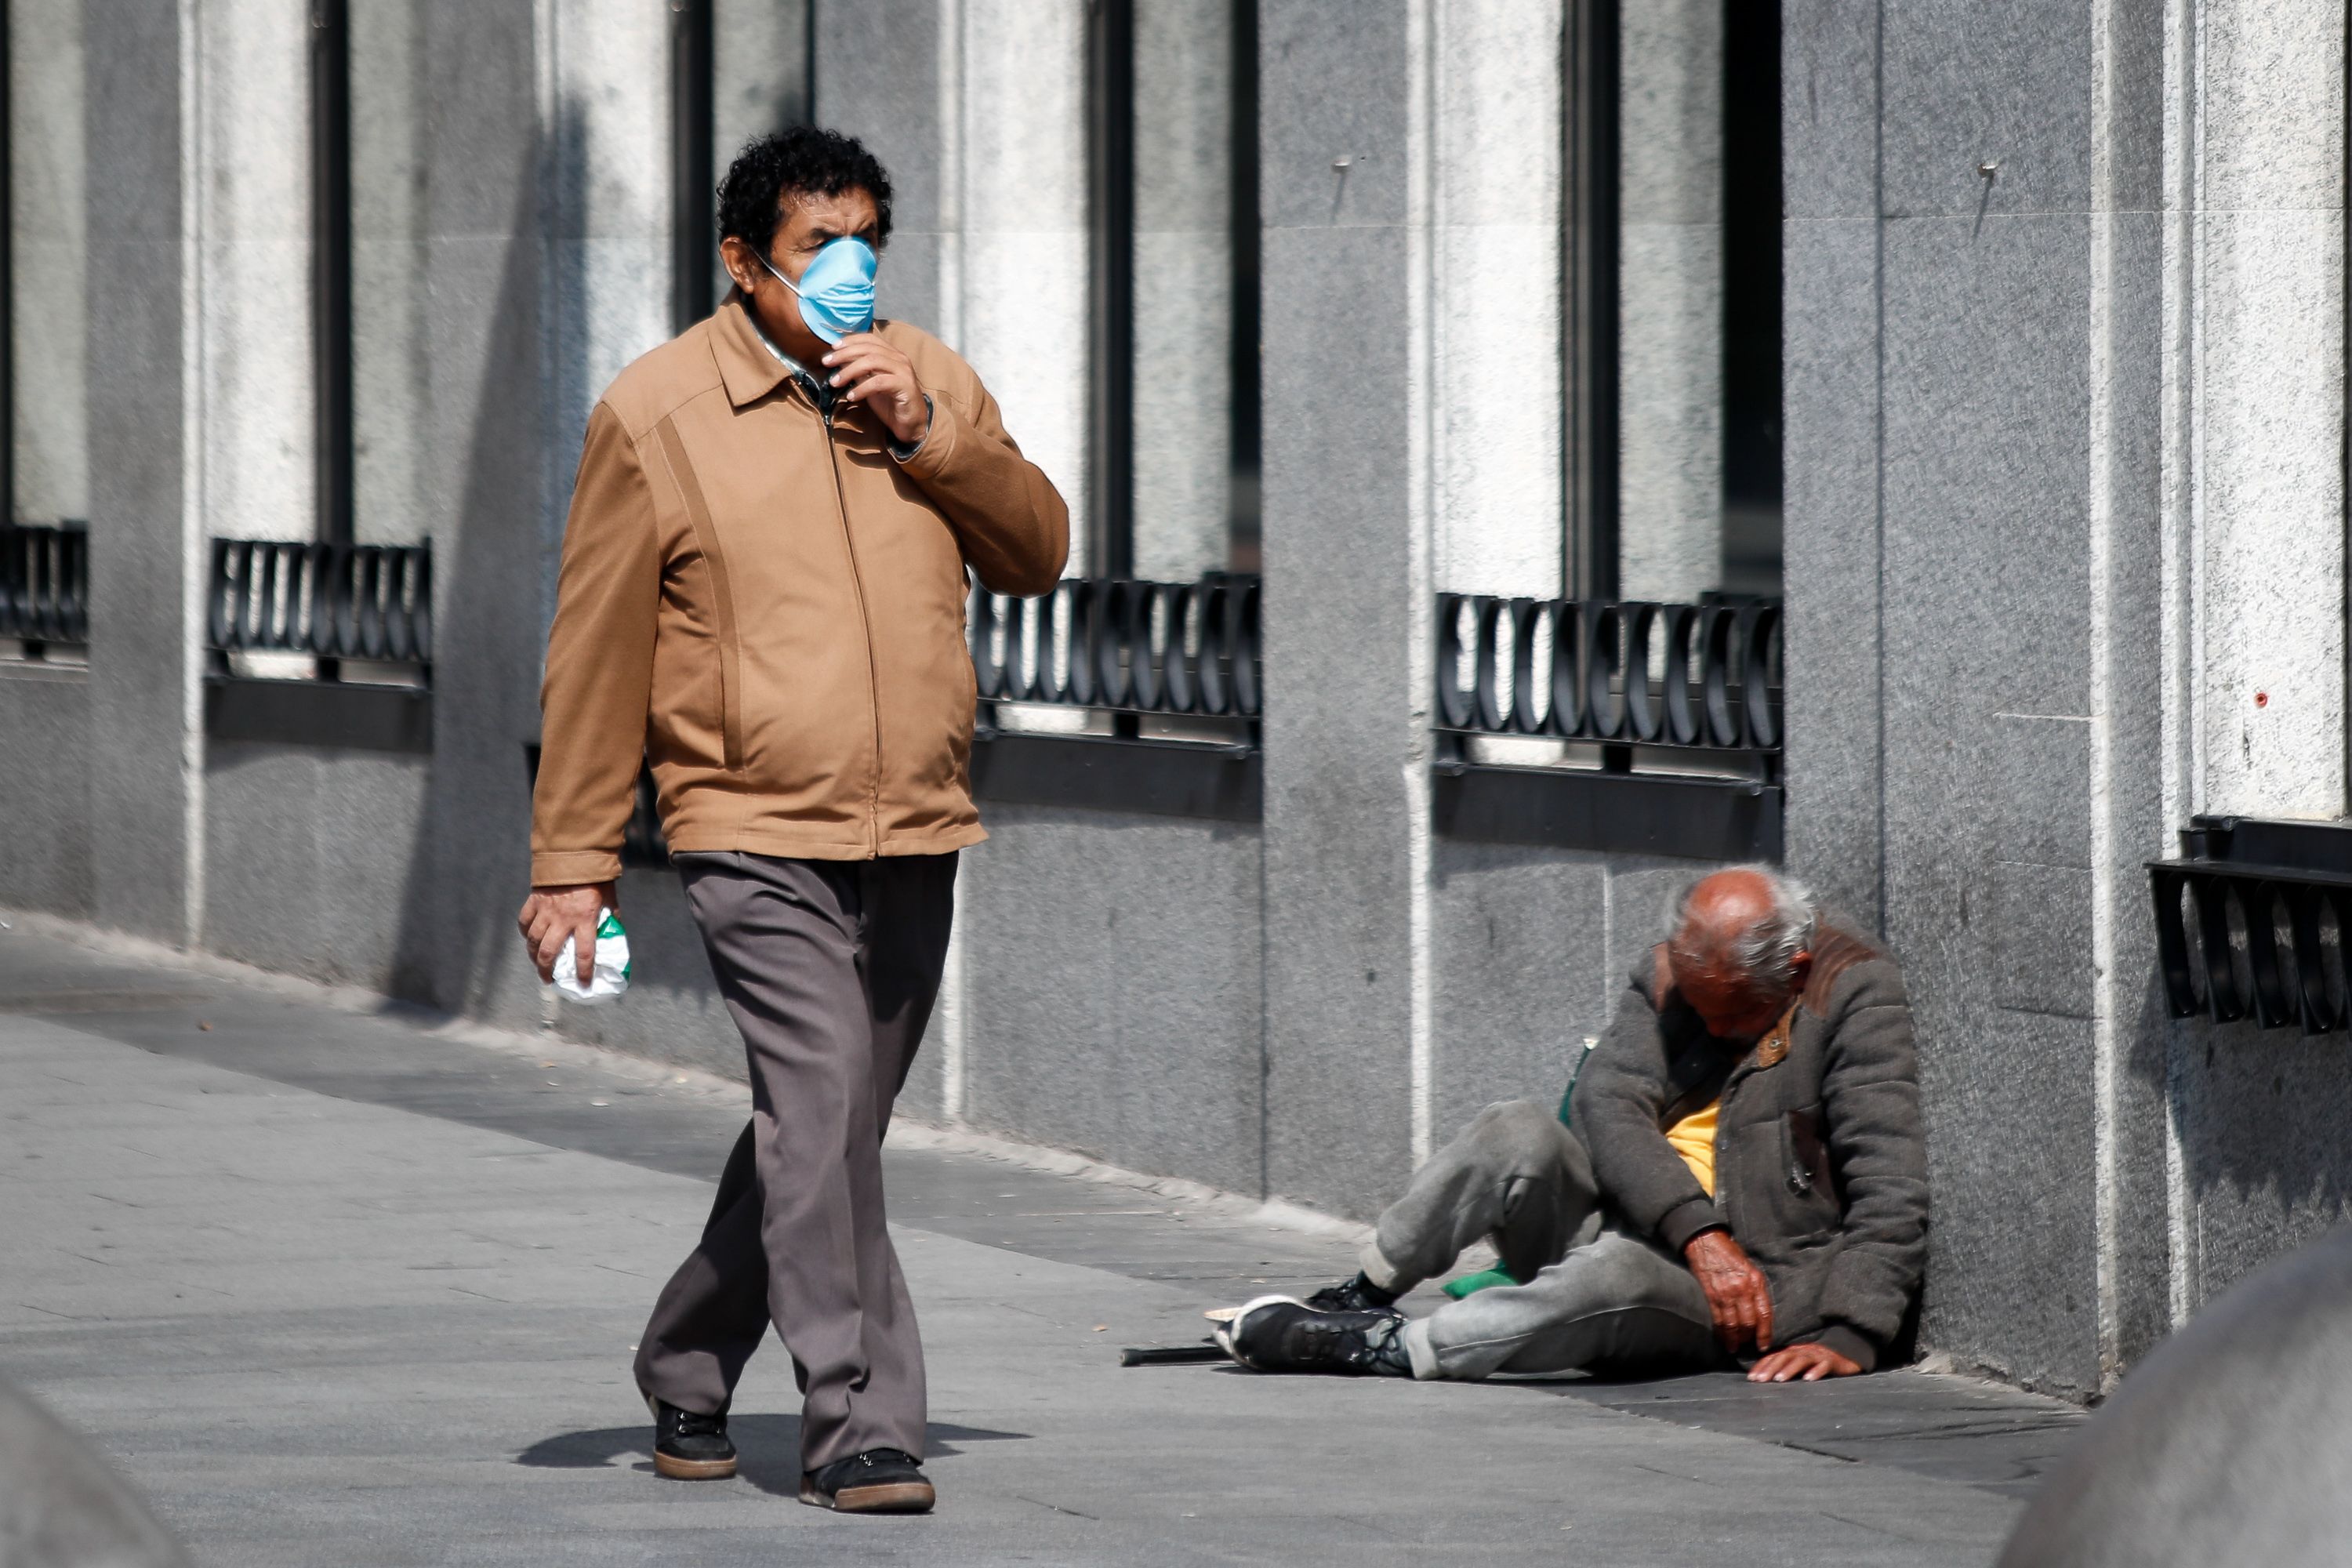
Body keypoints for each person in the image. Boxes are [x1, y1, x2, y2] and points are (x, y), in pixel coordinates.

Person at [517, 127, 1068, 1514]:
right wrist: (573, 864)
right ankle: (860, 1423)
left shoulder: (925, 376)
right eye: (821, 243)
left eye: (868, 237)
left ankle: (687, 1363)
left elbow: (1040, 549)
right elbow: (597, 649)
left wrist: (929, 435)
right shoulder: (657, 413)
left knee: (828, 1134)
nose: (851, 268)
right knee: (820, 1114)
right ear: (744, 260)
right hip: (747, 822)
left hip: (914, 827)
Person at [1220, 866, 1928, 1385]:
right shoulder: (1672, 974)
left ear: (1796, 971)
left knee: (1612, 1271)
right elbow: (1608, 1102)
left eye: (1734, 1015)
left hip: (1747, 1282)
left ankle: (1393, 1347)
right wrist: (1697, 1230)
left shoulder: (1854, 993)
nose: (1711, 1029)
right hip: (1641, 1222)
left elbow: (1891, 1183)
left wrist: (1854, 1332)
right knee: (1514, 1130)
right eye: (1698, 1008)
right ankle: (1363, 1294)